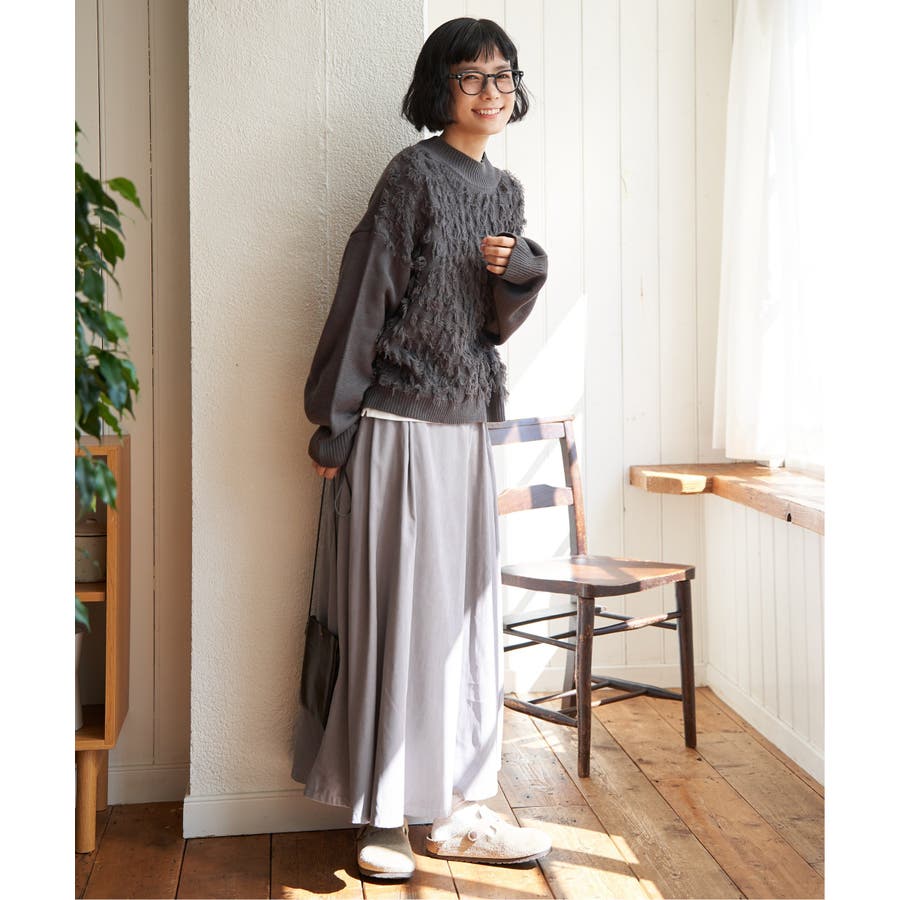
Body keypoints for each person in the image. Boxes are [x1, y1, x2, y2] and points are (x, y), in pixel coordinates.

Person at [291, 16, 551, 882]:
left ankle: (452, 810)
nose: (490, 92)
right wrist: (334, 422)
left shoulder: (506, 192)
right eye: (471, 77)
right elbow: (366, 295)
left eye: (503, 76)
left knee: (460, 625)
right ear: (440, 87)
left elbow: (490, 327)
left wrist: (521, 274)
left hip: (469, 429)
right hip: (396, 429)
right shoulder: (412, 176)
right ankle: (384, 816)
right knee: (392, 622)